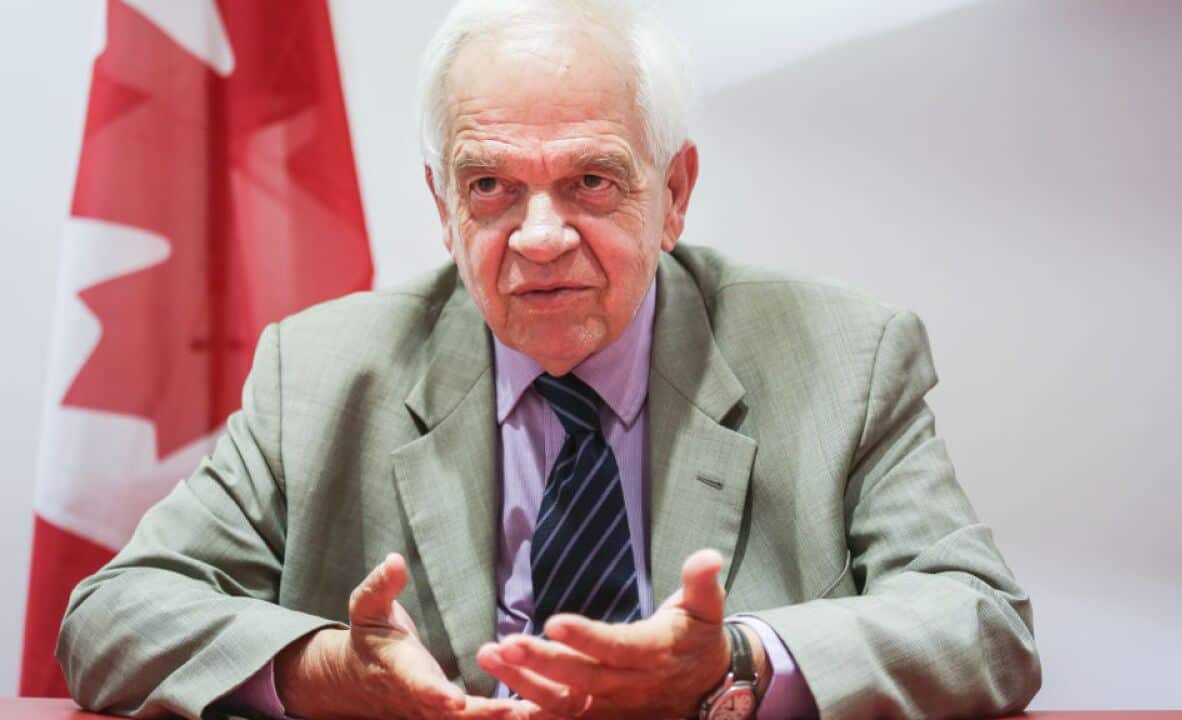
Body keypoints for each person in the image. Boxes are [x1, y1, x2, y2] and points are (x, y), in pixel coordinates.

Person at [57, 1, 1042, 718]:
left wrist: (735, 660)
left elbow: (982, 622)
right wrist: (325, 673)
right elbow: (111, 617)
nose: (538, 237)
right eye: (490, 185)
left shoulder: (841, 357)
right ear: (442, 205)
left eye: (590, 181)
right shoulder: (318, 372)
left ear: (673, 193)